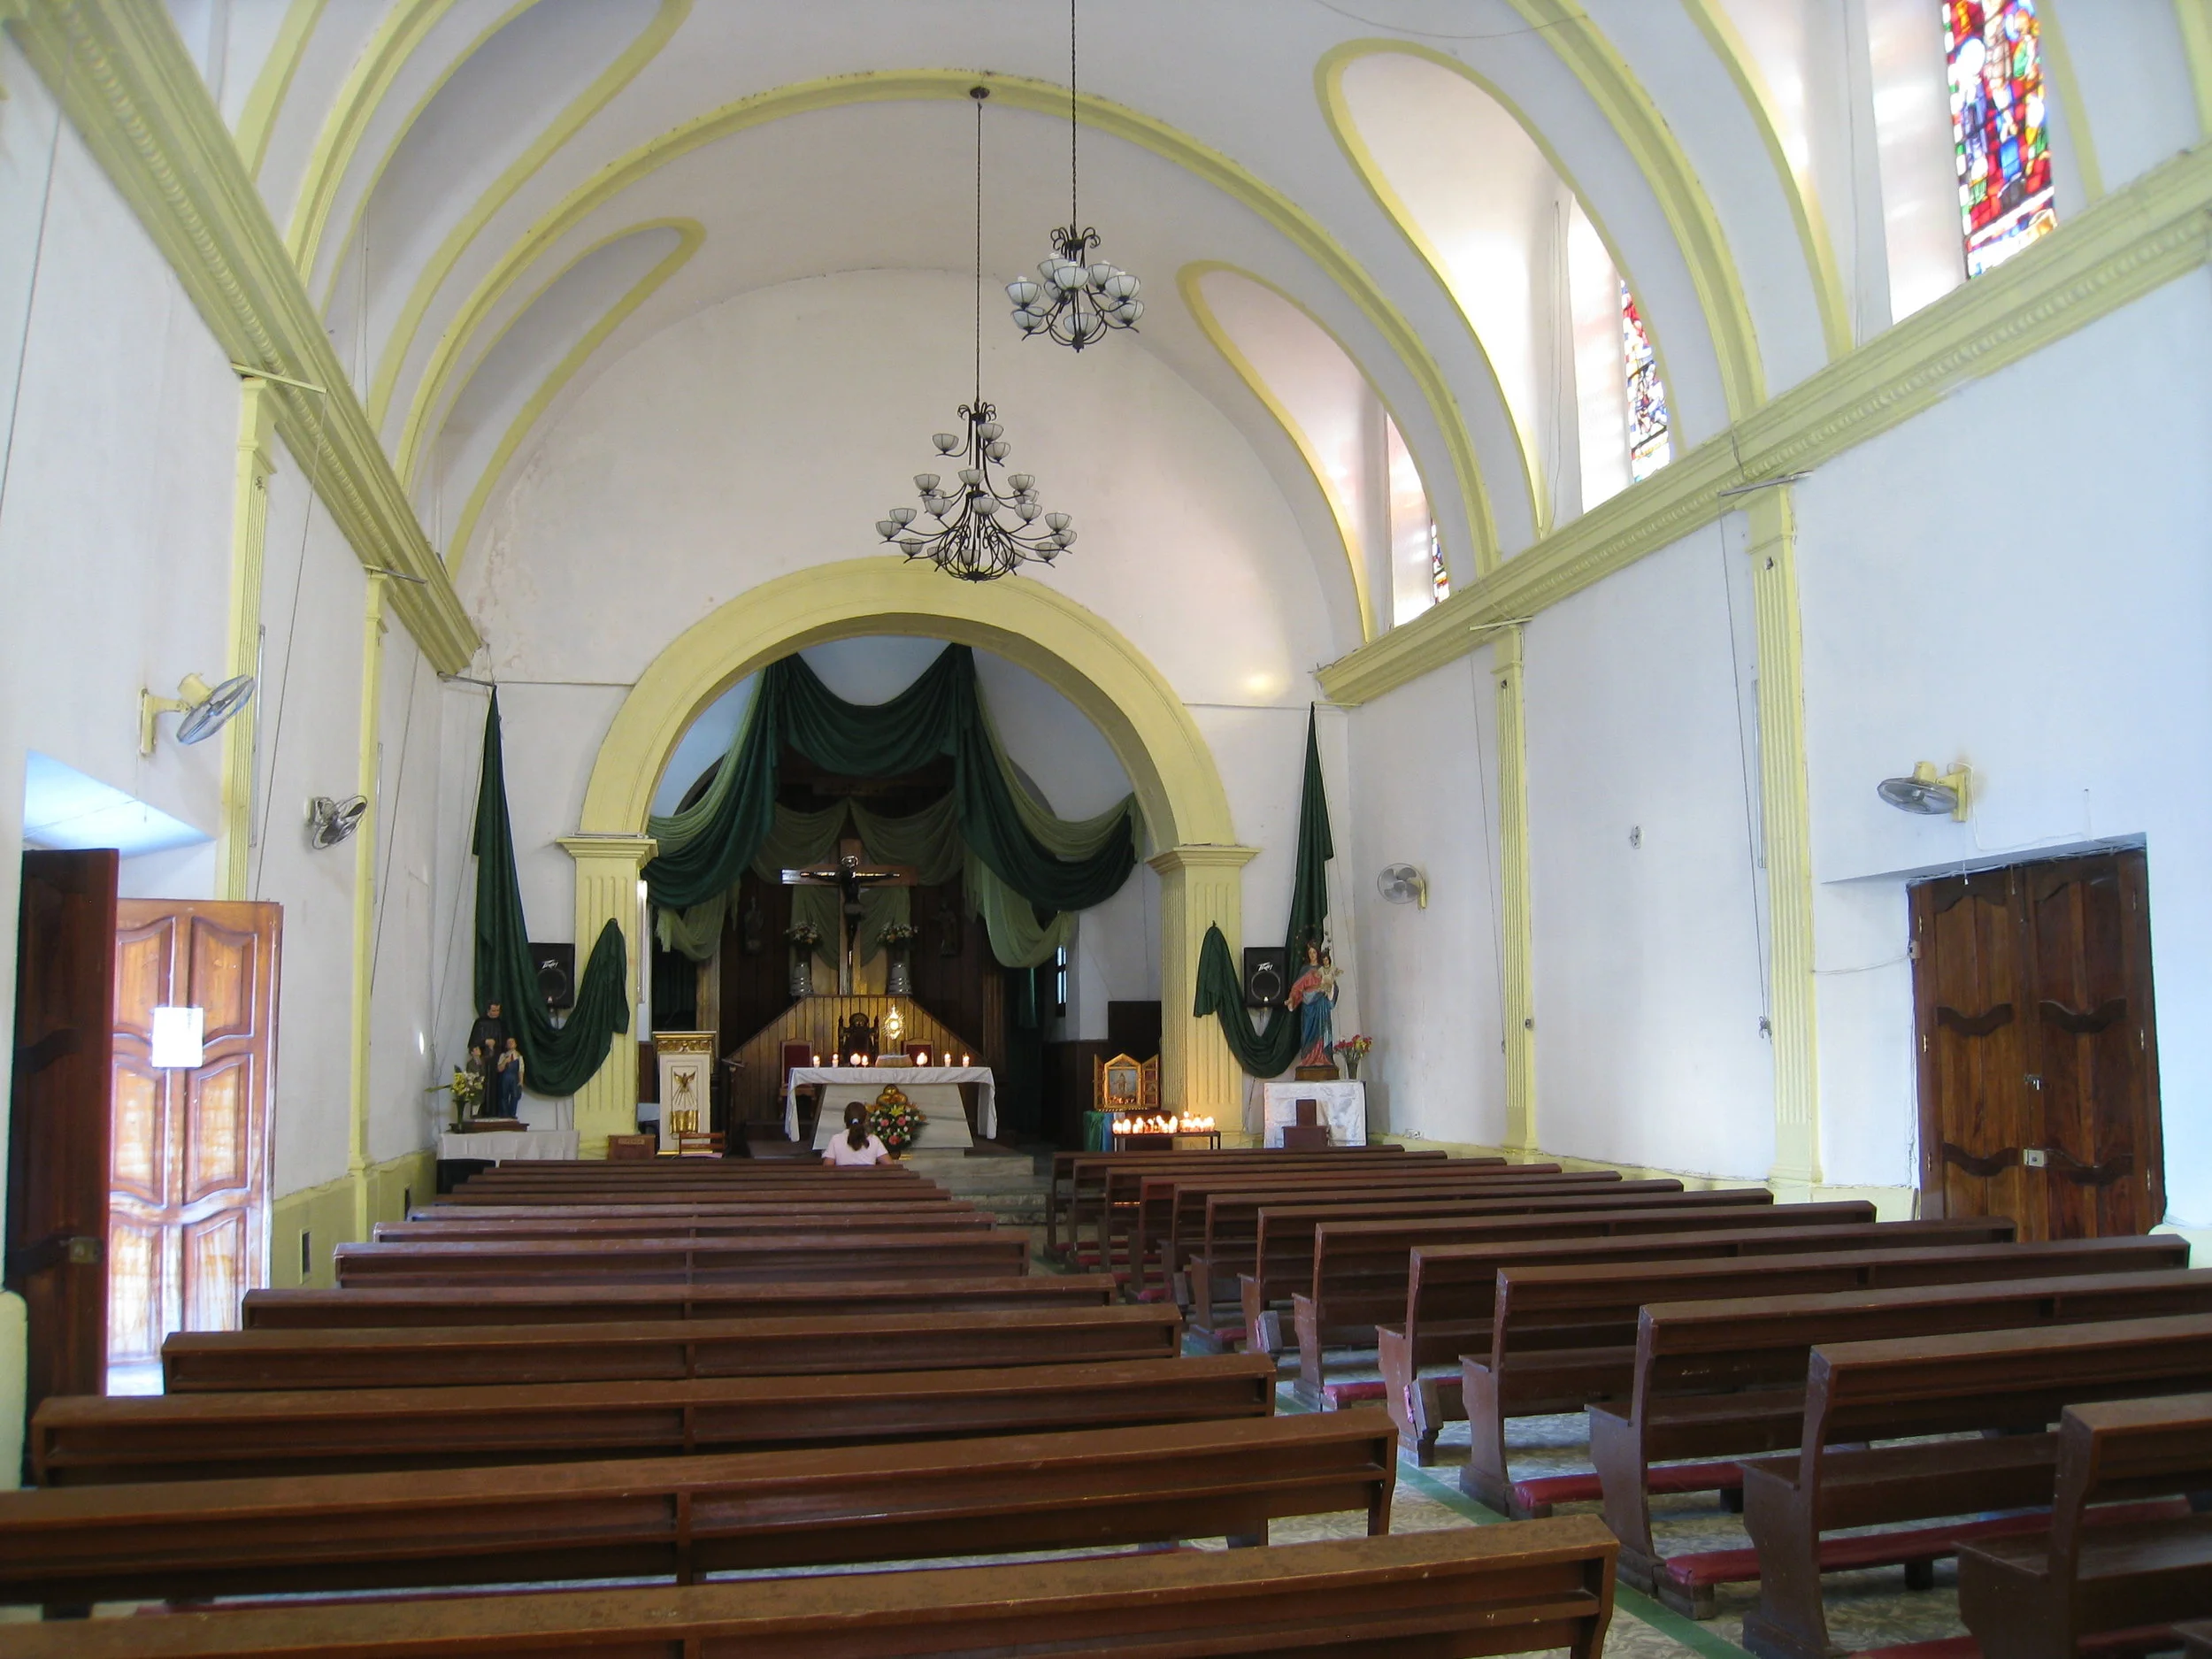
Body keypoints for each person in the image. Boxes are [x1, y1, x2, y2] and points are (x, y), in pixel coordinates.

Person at [1286, 941, 1340, 1070]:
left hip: (1322, 1005)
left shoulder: (1324, 970)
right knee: (1308, 1031)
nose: (1312, 955)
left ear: (1318, 954)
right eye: (1310, 953)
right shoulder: (1305, 970)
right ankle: (1308, 1059)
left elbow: (1333, 985)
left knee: (1323, 1029)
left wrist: (1330, 987)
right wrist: (1291, 998)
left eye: (1314, 952)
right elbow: (1297, 987)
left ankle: (1324, 1058)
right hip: (1308, 1006)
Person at [823, 1101, 892, 1167]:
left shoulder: (836, 1139)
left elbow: (827, 1166)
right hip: (868, 1179)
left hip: (844, 1179)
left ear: (845, 1119)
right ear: (865, 1120)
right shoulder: (874, 1140)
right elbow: (890, 1165)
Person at [495, 1036, 525, 1119]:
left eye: (512, 1042)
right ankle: (504, 1113)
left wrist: (521, 1081)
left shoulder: (519, 1057)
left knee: (515, 1095)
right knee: (503, 1095)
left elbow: (521, 1070)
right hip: (505, 1077)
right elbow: (499, 1069)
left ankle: (512, 1113)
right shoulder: (503, 1056)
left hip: (514, 1078)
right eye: (508, 1042)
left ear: (515, 1044)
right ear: (506, 1045)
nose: (510, 1043)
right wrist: (505, 1061)